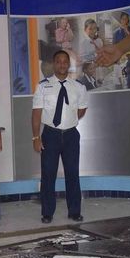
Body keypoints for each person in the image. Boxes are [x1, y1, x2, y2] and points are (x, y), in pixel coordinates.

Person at [32, 50, 88, 224]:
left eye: (65, 61)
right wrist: (36, 138)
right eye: (59, 61)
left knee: (73, 173)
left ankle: (74, 211)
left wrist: (68, 122)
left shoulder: (78, 87)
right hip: (50, 135)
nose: (62, 64)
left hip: (71, 135)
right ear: (54, 64)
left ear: (68, 64)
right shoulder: (43, 86)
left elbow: (82, 109)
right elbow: (36, 114)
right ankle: (47, 212)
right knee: (48, 174)